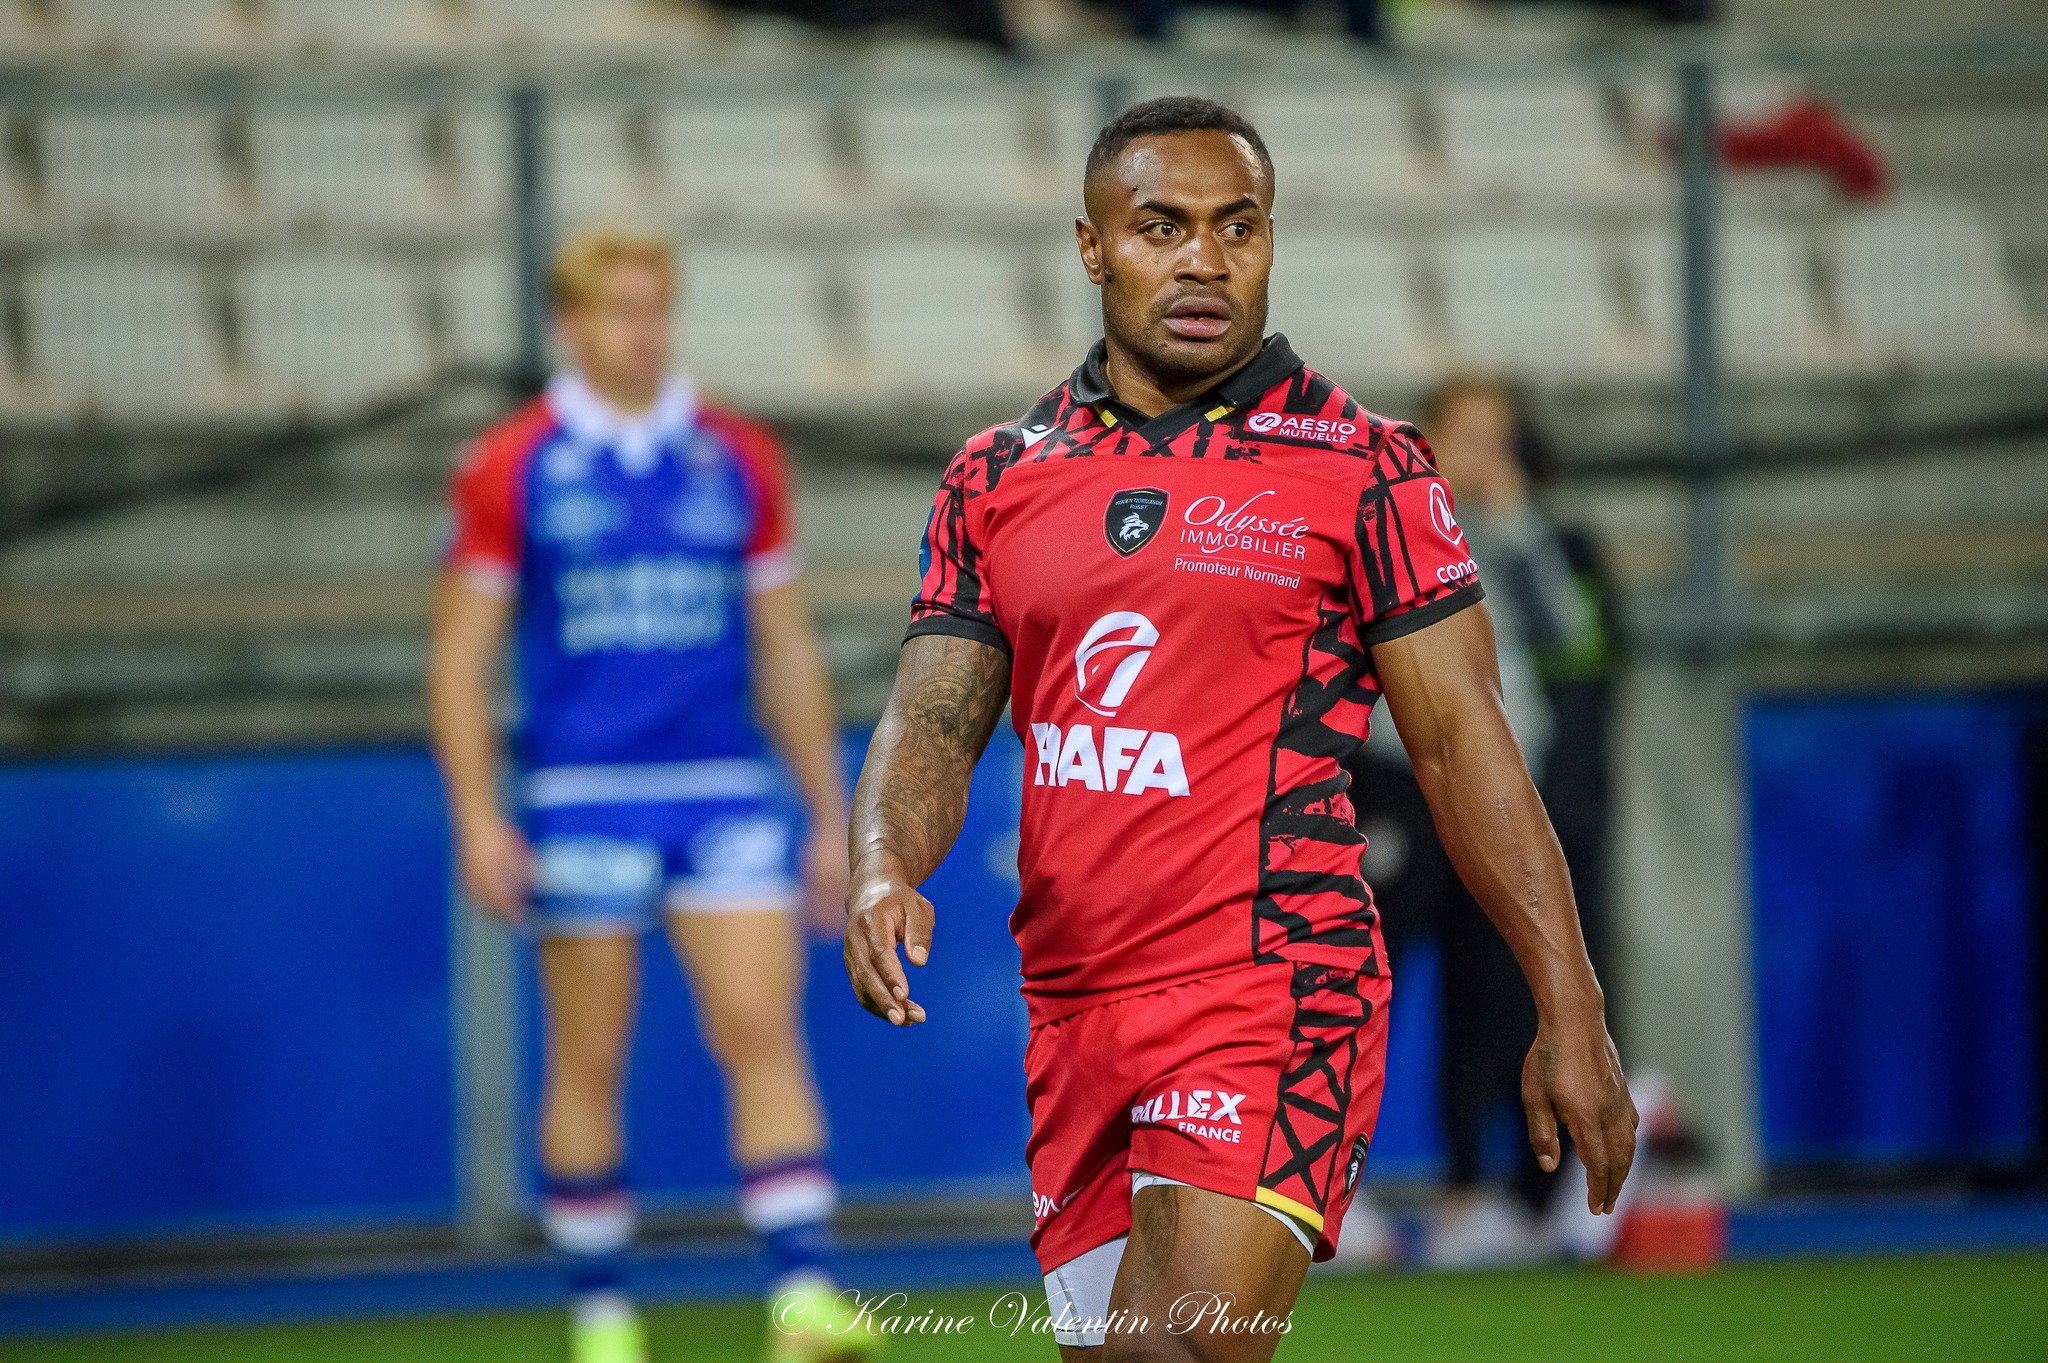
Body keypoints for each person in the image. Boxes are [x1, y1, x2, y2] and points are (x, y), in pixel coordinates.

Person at [842, 97, 1636, 1360]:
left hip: (1272, 980)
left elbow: (1462, 741)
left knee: (1179, 1346)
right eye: (1160, 227)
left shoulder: (1364, 467)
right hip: (1074, 1006)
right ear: (1094, 248)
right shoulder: (994, 477)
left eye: (1237, 226)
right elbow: (933, 714)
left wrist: (1570, 1003)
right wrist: (884, 858)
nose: (1203, 260)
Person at [427, 228, 872, 1363]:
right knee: (588, 1051)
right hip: (580, 794)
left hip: (721, 782)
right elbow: (458, 661)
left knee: (761, 1024)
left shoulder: (735, 455)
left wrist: (830, 818)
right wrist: (478, 814)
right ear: (570, 325)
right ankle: (601, 1311)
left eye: (655, 307)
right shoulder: (511, 462)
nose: (643, 330)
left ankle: (804, 1297)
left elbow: (784, 644)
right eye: (620, 310)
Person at [1340, 376, 1611, 1268]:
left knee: (1489, 996)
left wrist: (1524, 524)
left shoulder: (1524, 539)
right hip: (1403, 780)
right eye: (1470, 434)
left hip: (1503, 789)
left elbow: (1571, 637)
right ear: (1431, 437)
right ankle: (1331, 1190)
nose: (1484, 453)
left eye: (1500, 436)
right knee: (1356, 985)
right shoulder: (1389, 519)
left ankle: (1470, 1193)